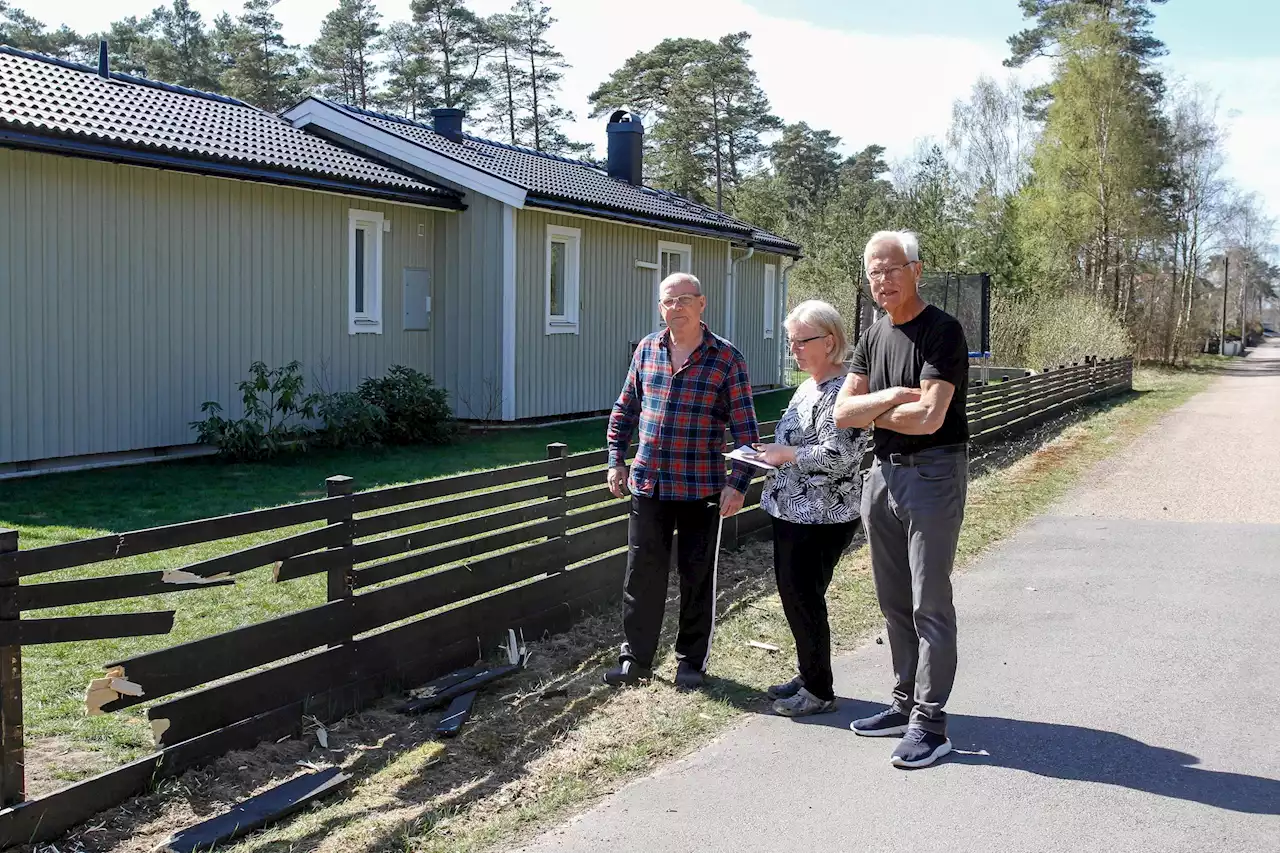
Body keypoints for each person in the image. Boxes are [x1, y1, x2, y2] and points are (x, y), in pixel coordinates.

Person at [834, 230, 970, 769]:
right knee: (892, 601)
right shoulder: (872, 336)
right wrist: (892, 397)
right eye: (873, 271)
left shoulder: (943, 331)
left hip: (934, 473)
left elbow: (931, 417)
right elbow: (843, 413)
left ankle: (931, 724)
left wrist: (870, 408)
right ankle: (903, 699)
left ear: (917, 269)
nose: (881, 280)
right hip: (882, 474)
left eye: (891, 269)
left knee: (928, 602)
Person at [603, 272, 760, 690]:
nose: (677, 308)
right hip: (649, 483)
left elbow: (747, 432)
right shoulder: (646, 351)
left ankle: (691, 662)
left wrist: (739, 482)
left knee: (696, 576)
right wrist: (616, 459)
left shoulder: (726, 358)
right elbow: (625, 410)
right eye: (669, 301)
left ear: (702, 304)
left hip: (701, 488)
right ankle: (635, 660)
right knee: (642, 574)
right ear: (660, 308)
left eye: (685, 299)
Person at [751, 301, 906, 717]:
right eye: (791, 341)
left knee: (803, 599)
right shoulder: (809, 384)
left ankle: (819, 691)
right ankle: (810, 671)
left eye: (802, 341)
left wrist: (786, 455)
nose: (794, 349)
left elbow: (840, 456)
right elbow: (797, 439)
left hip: (821, 515)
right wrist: (768, 453)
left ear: (831, 341)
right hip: (791, 510)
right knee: (797, 596)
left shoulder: (847, 392)